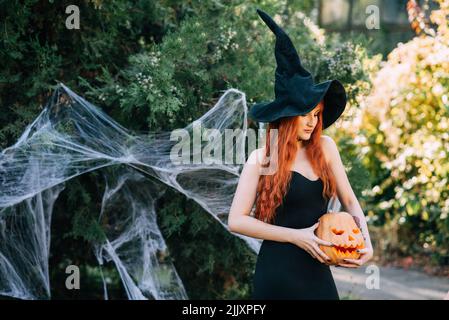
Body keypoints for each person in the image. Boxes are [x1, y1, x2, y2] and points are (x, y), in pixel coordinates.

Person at [227, 9, 373, 300]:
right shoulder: (261, 159)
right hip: (276, 274)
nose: (312, 122)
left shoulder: (326, 148)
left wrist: (367, 245)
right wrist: (298, 236)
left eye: (316, 114)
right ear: (286, 115)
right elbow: (237, 220)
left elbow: (350, 202)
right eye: (304, 114)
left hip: (317, 270)